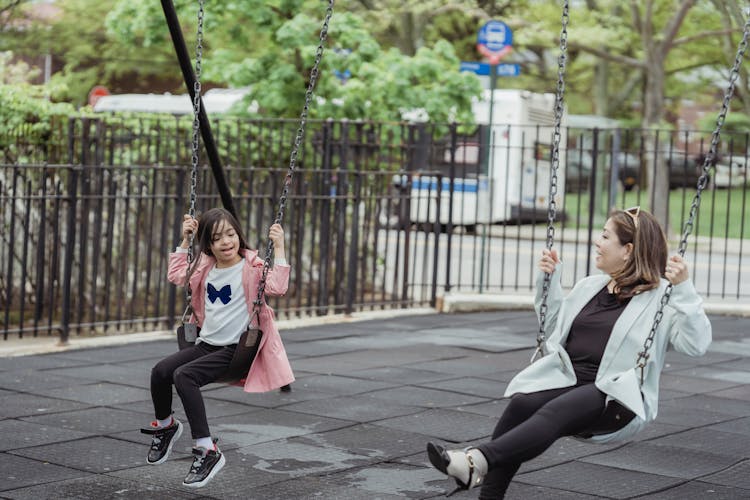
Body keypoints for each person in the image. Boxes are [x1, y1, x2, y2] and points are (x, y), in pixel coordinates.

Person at [427, 206, 711, 499]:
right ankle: (488, 494)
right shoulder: (590, 287)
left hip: (615, 399)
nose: (597, 243)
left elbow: (696, 344)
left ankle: (474, 461)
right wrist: (549, 281)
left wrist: (684, 290)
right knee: (522, 405)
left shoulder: (660, 299)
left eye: (604, 236)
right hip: (569, 384)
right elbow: (552, 331)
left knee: (558, 408)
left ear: (628, 250)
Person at [141, 208, 294, 488]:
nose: (225, 242)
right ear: (208, 245)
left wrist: (280, 246)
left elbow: (277, 287)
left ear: (239, 235)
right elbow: (177, 275)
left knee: (184, 376)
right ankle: (166, 426)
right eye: (216, 238)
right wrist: (185, 240)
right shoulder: (205, 265)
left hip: (235, 349)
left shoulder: (253, 266)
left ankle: (207, 449)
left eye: (230, 234)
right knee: (160, 371)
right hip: (206, 344)